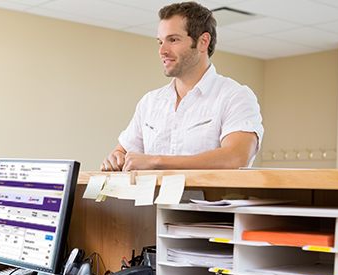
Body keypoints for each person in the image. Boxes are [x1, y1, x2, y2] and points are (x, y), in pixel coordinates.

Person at [101, 1, 264, 172]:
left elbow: (236, 157)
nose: (162, 50)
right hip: (153, 200)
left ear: (203, 41)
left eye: (173, 40)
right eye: (160, 42)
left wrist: (156, 161)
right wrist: (115, 158)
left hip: (210, 199)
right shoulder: (149, 102)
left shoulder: (235, 96)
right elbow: (122, 151)